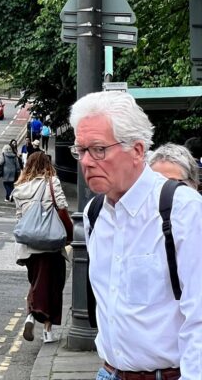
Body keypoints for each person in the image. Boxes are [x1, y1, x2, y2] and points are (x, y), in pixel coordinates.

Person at [70, 90, 202, 380]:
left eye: (99, 149)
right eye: (81, 150)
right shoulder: (94, 214)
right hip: (108, 373)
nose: (87, 162)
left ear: (138, 150)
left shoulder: (182, 210)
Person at [14, 151, 73, 344]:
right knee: (54, 285)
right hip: (51, 242)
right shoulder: (52, 182)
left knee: (37, 283)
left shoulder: (20, 188)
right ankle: (46, 329)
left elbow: (19, 217)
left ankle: (32, 316)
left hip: (30, 244)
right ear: (47, 165)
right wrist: (69, 234)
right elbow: (62, 208)